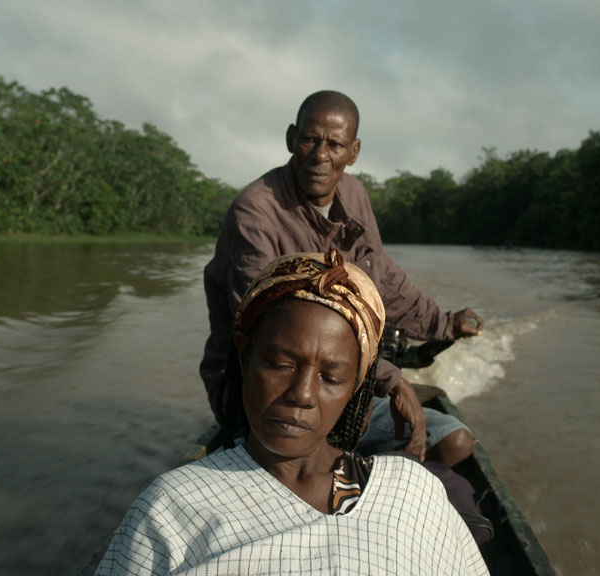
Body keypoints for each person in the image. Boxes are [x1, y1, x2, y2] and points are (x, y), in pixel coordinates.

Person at [96, 251, 488, 575]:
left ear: (356, 386)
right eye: (281, 365)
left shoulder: (411, 489)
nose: (302, 395)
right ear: (244, 353)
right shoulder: (170, 509)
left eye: (331, 377)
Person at [201, 90, 483, 466]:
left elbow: (382, 280)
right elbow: (266, 329)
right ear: (290, 139)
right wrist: (390, 379)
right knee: (310, 467)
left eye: (335, 144)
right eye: (309, 140)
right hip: (267, 391)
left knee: (454, 442)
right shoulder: (255, 213)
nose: (320, 156)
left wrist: (446, 324)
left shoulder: (355, 194)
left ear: (353, 153)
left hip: (339, 385)